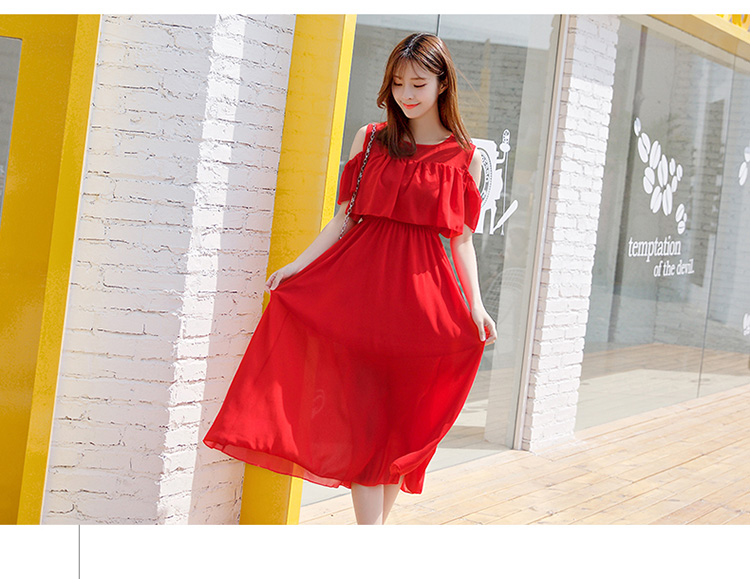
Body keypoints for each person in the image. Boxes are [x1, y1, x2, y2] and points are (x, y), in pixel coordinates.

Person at [203, 32, 497, 525]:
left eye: (418, 84)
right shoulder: (372, 139)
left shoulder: (464, 157)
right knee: (366, 426)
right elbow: (344, 218)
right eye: (398, 83)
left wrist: (476, 306)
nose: (406, 94)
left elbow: (461, 240)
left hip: (420, 305)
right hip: (358, 297)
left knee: (399, 430)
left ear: (443, 85)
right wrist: (298, 266)